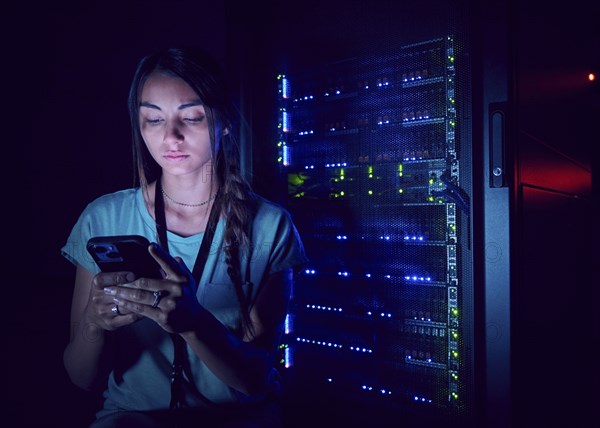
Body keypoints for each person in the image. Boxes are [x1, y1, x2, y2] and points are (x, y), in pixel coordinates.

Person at [61, 47, 308, 428]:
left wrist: (194, 323)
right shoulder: (103, 217)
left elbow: (255, 378)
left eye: (191, 117)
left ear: (223, 121)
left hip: (238, 417)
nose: (171, 136)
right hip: (133, 417)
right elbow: (82, 378)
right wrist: (93, 324)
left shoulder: (269, 226)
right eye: (153, 119)